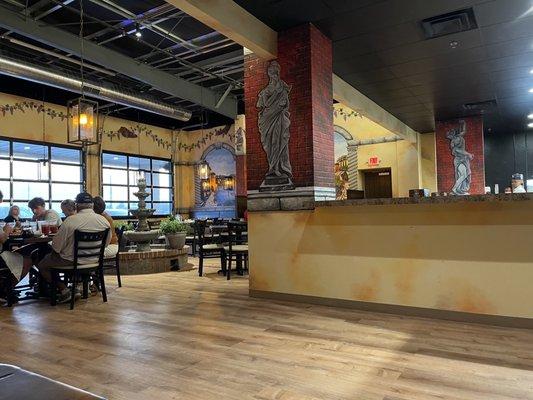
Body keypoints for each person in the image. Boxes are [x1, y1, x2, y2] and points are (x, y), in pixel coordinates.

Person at [37, 192, 111, 304]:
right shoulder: (104, 221)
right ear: (92, 205)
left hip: (71, 261)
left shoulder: (70, 221)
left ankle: (64, 290)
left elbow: (56, 246)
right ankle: (72, 288)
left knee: (43, 264)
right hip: (95, 261)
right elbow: (105, 244)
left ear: (77, 205)